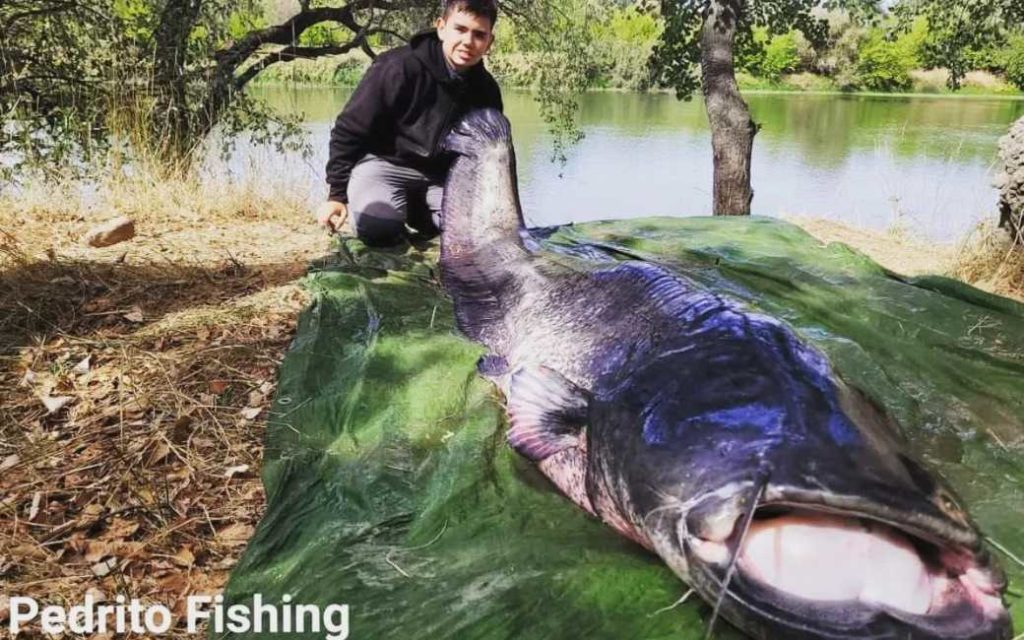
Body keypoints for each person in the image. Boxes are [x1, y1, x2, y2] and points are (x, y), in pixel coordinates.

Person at [316, 0, 503, 245]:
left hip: (441, 178)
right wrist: (336, 195)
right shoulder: (397, 66)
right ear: (441, 27)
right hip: (385, 164)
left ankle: (419, 212)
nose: (468, 42)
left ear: (489, 42)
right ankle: (394, 212)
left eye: (479, 34)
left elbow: (488, 159)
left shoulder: (487, 91)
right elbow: (348, 130)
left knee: (474, 234)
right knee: (378, 228)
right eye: (460, 29)